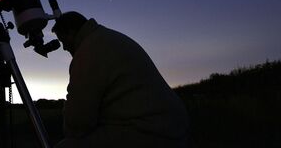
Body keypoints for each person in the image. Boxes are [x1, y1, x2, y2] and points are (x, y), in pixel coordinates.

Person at [52, 12, 189, 148]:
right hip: (171, 126)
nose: (64, 48)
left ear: (71, 32)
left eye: (63, 41)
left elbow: (77, 124)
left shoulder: (87, 52)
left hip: (150, 132)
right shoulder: (106, 38)